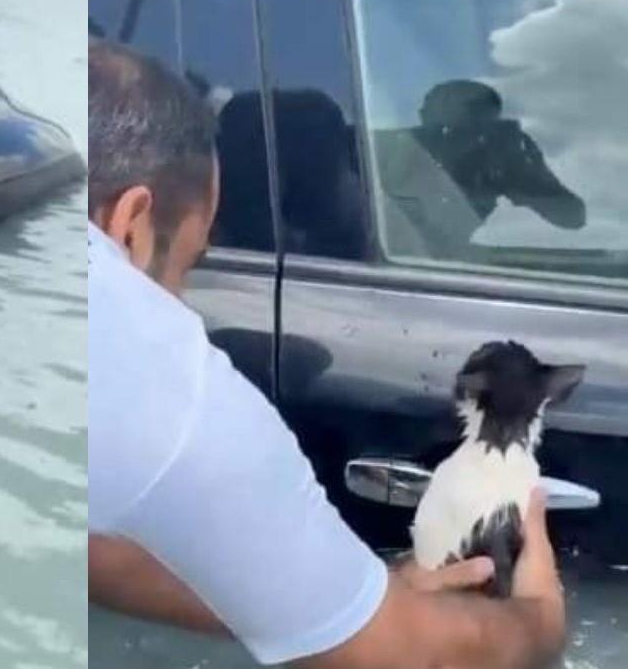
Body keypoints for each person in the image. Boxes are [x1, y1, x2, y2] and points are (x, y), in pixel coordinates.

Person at [87, 39, 566, 668]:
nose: (177, 294)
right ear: (131, 224)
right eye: (188, 264)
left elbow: (84, 543)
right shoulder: (172, 389)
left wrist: (344, 596)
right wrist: (537, 621)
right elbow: (425, 661)